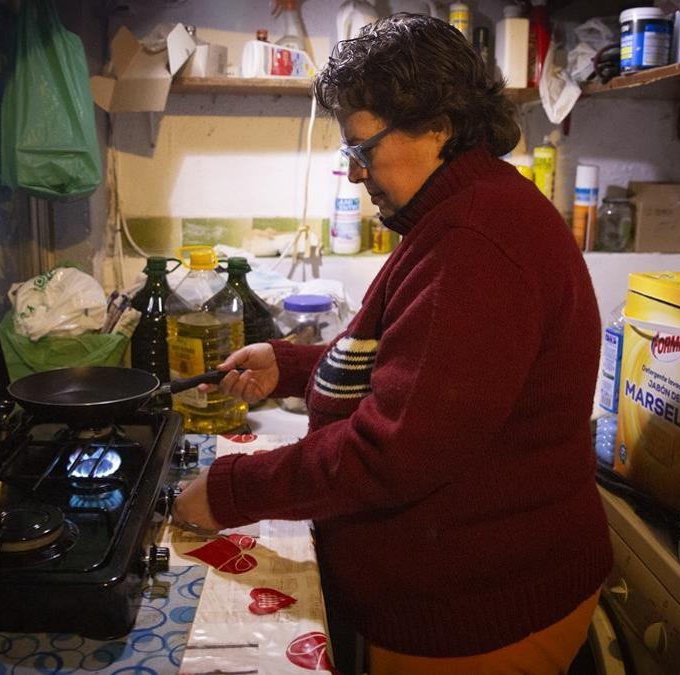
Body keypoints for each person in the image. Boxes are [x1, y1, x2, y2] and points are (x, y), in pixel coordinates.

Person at [173, 13, 611, 674]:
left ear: (436, 124)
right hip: (471, 594)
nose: (355, 175)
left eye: (361, 149)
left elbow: (391, 451)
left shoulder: (475, 242)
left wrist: (231, 490)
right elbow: (419, 367)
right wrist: (291, 366)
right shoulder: (467, 214)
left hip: (476, 618)